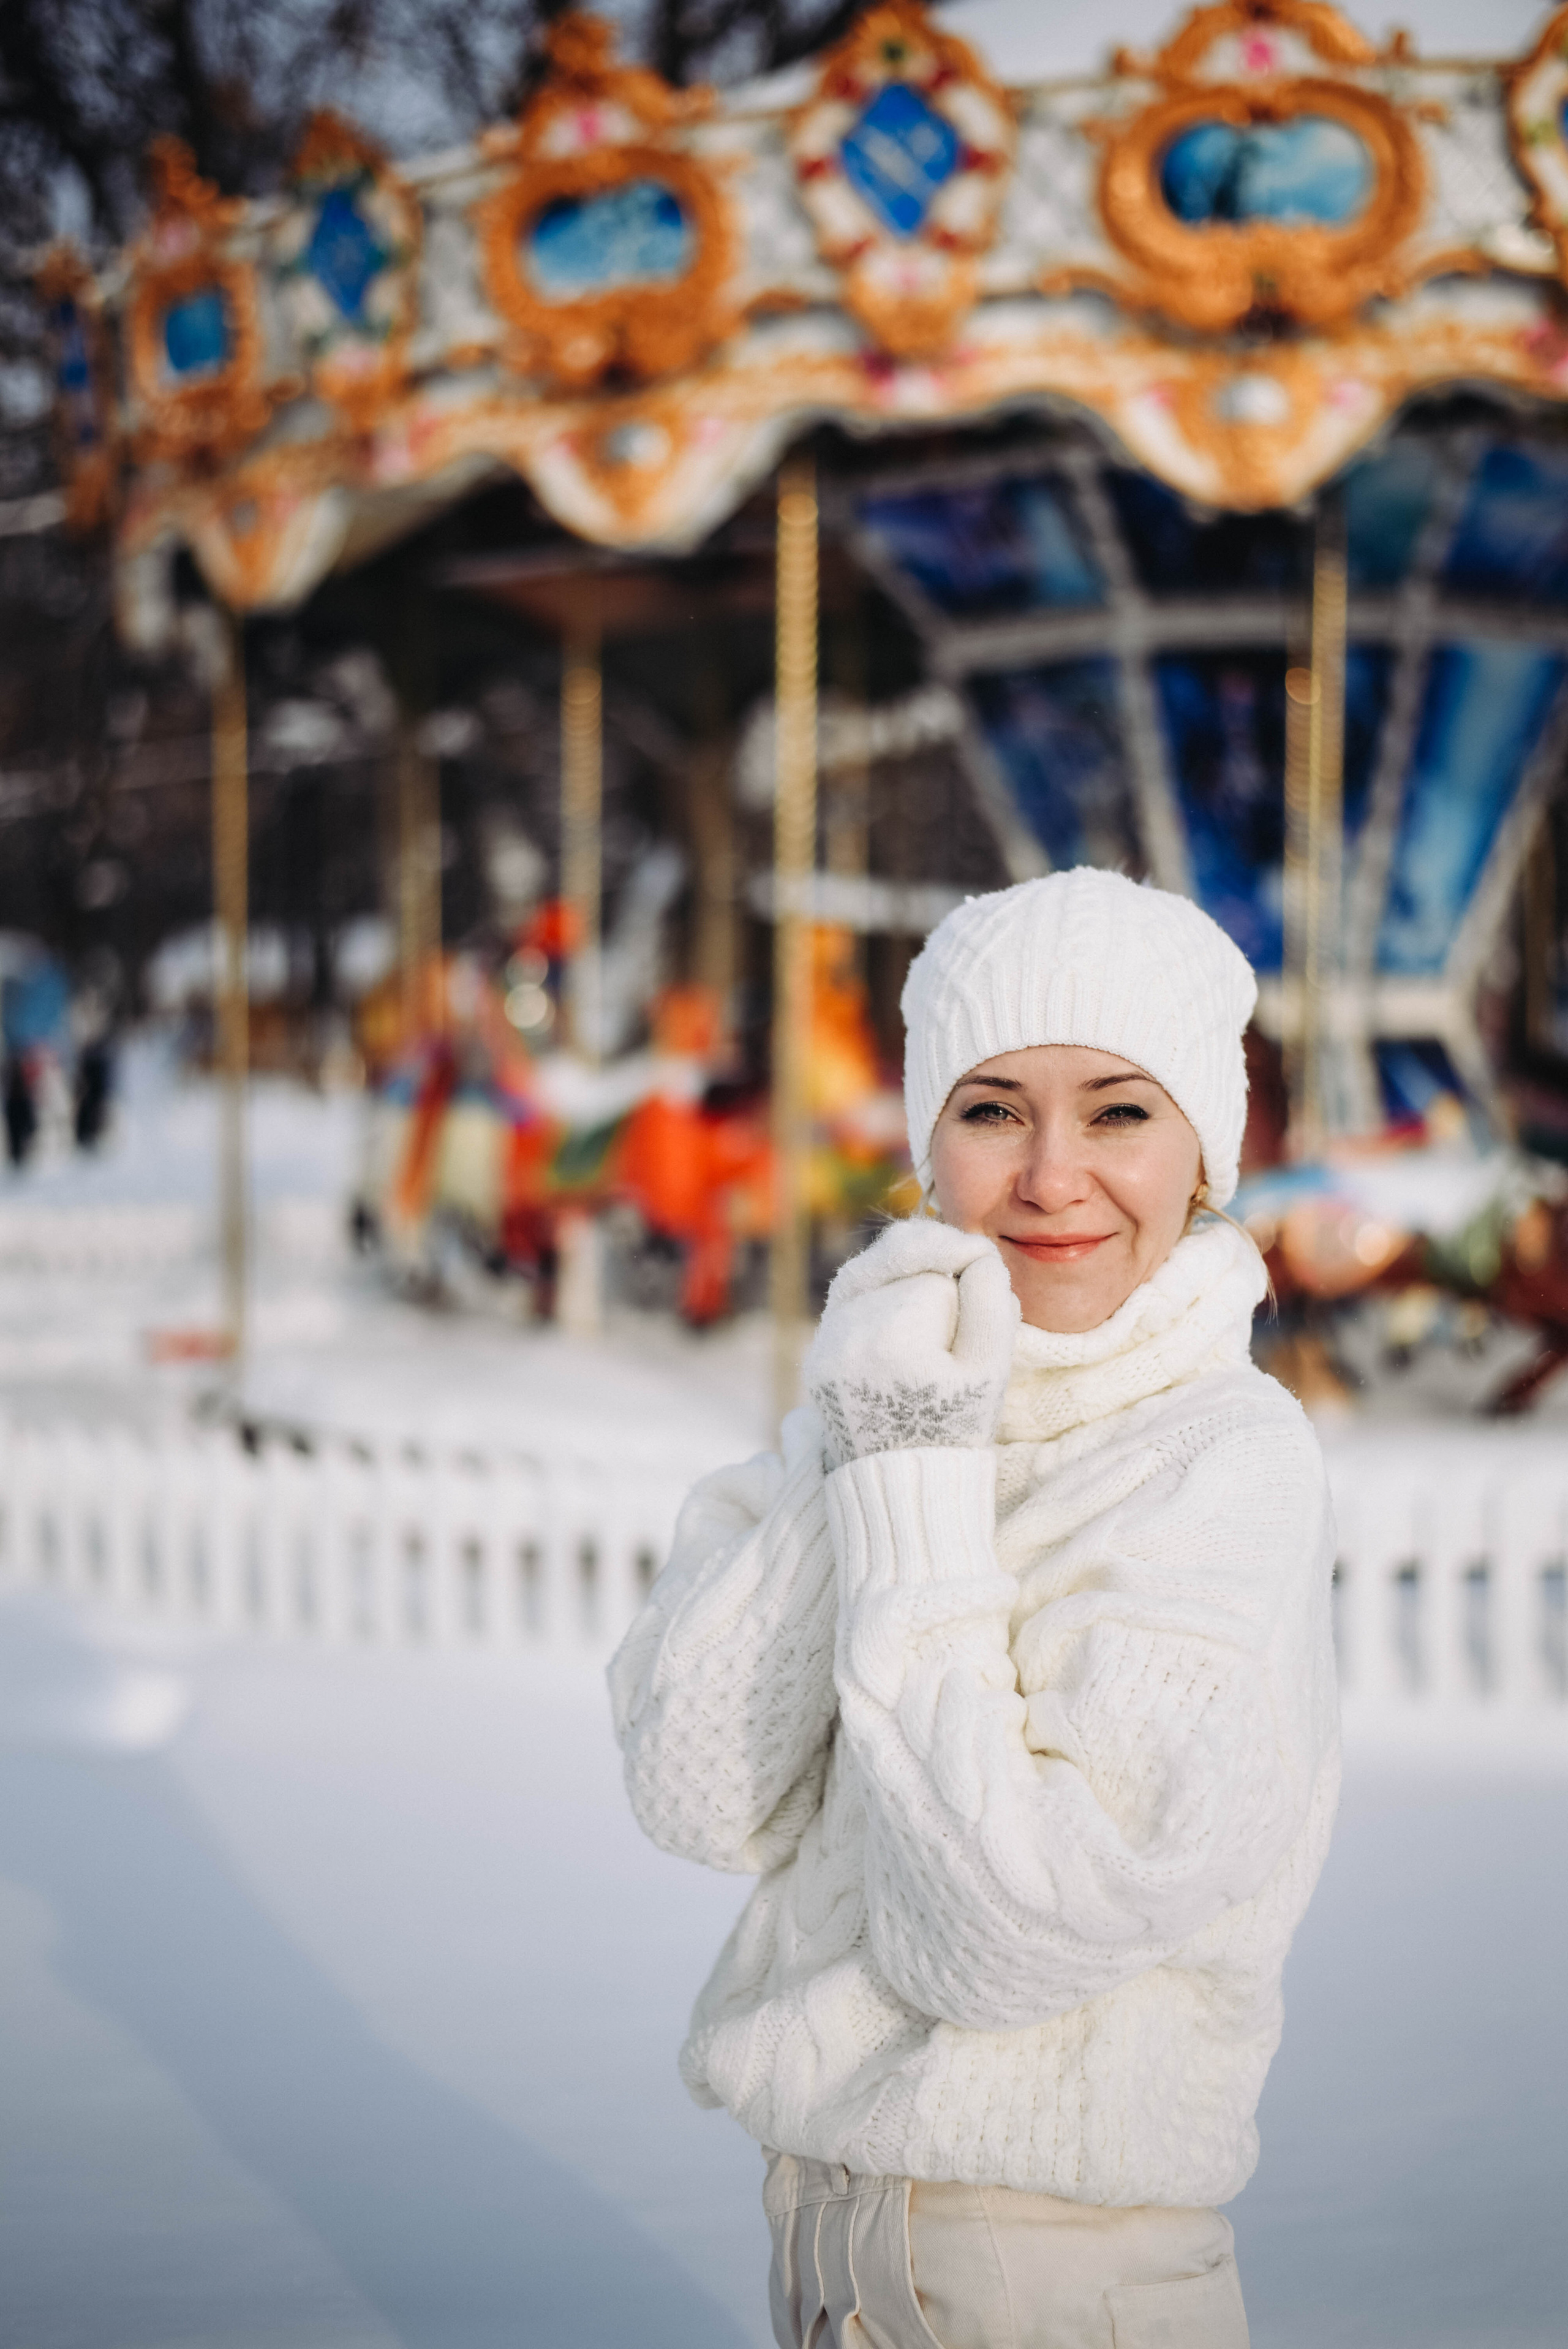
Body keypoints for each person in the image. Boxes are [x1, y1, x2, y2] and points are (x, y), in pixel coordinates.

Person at [610, 869, 1339, 2349]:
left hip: (1047, 2280)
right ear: (927, 1144)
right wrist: (869, 1438)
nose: (1050, 1174)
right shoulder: (907, 1395)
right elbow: (696, 1788)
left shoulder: (1219, 1463)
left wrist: (912, 1488)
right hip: (824, 2255)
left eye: (1118, 1111)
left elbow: (999, 1939)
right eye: (993, 1108)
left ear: (1204, 1148)